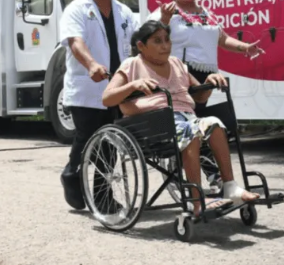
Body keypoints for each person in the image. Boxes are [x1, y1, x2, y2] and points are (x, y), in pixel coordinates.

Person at [102, 20, 260, 215]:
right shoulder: (132, 65)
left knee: (215, 124)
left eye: (167, 40)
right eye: (158, 41)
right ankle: (197, 201)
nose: (165, 45)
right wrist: (133, 86)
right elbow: (107, 98)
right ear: (141, 46)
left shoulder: (177, 64)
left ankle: (230, 186)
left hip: (186, 118)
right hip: (154, 124)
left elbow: (199, 95)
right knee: (191, 132)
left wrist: (209, 82)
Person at [149, 0, 263, 187]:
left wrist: (245, 48)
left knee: (203, 123)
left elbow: (222, 38)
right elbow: (150, 39)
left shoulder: (206, 13)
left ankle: (211, 175)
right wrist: (164, 19)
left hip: (206, 76)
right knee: (194, 124)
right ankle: (210, 175)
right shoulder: (165, 12)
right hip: (180, 75)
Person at [58, 0, 139, 211]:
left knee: (111, 143)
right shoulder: (76, 9)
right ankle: (71, 174)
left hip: (117, 86)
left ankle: (103, 198)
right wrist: (92, 64)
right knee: (87, 137)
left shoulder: (123, 11)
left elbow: (139, 39)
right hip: (88, 87)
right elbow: (75, 42)